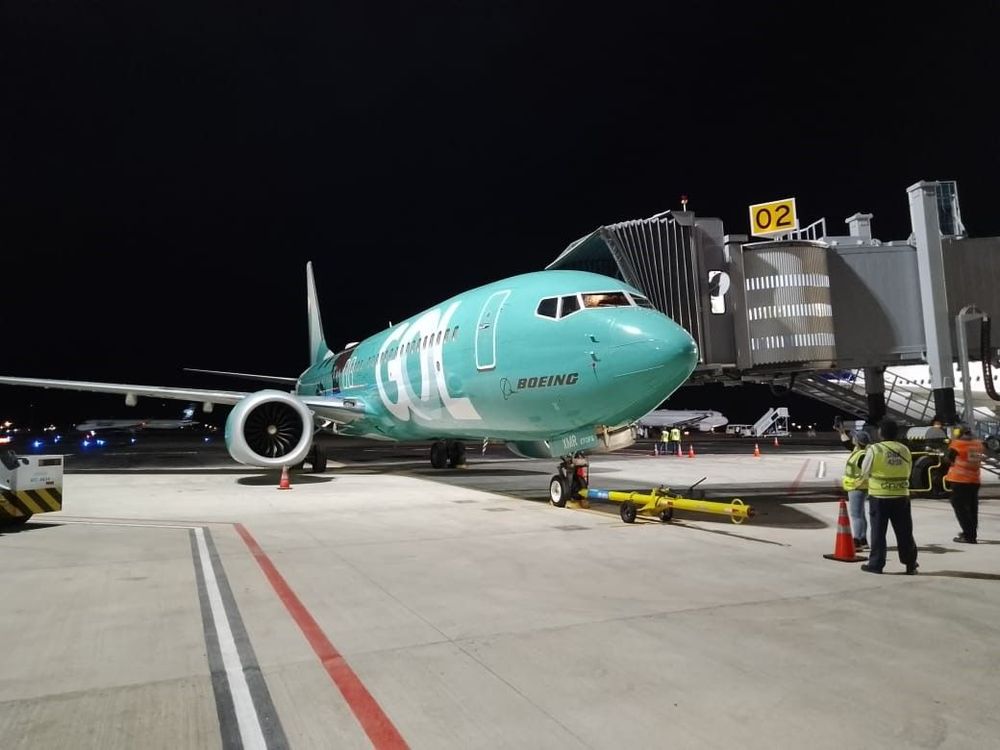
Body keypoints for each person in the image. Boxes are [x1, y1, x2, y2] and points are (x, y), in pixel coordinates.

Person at [858, 417, 919, 574]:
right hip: (901, 495)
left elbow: (864, 471)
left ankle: (876, 564)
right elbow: (909, 469)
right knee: (905, 532)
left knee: (878, 532)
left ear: (881, 433)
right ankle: (910, 564)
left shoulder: (875, 449)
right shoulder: (904, 449)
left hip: (880, 496)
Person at [945, 424, 984, 544]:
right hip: (974, 479)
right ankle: (971, 532)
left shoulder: (957, 444)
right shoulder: (978, 444)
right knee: (972, 507)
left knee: (959, 507)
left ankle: (968, 535)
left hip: (960, 480)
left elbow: (949, 459)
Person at [841, 430, 871, 549]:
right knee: (861, 514)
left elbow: (865, 471)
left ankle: (857, 541)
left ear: (858, 441)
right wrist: (841, 432)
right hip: (859, 486)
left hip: (857, 486)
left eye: (854, 437)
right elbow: (847, 444)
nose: (852, 438)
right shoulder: (859, 451)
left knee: (856, 515)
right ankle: (863, 540)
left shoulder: (862, 455)